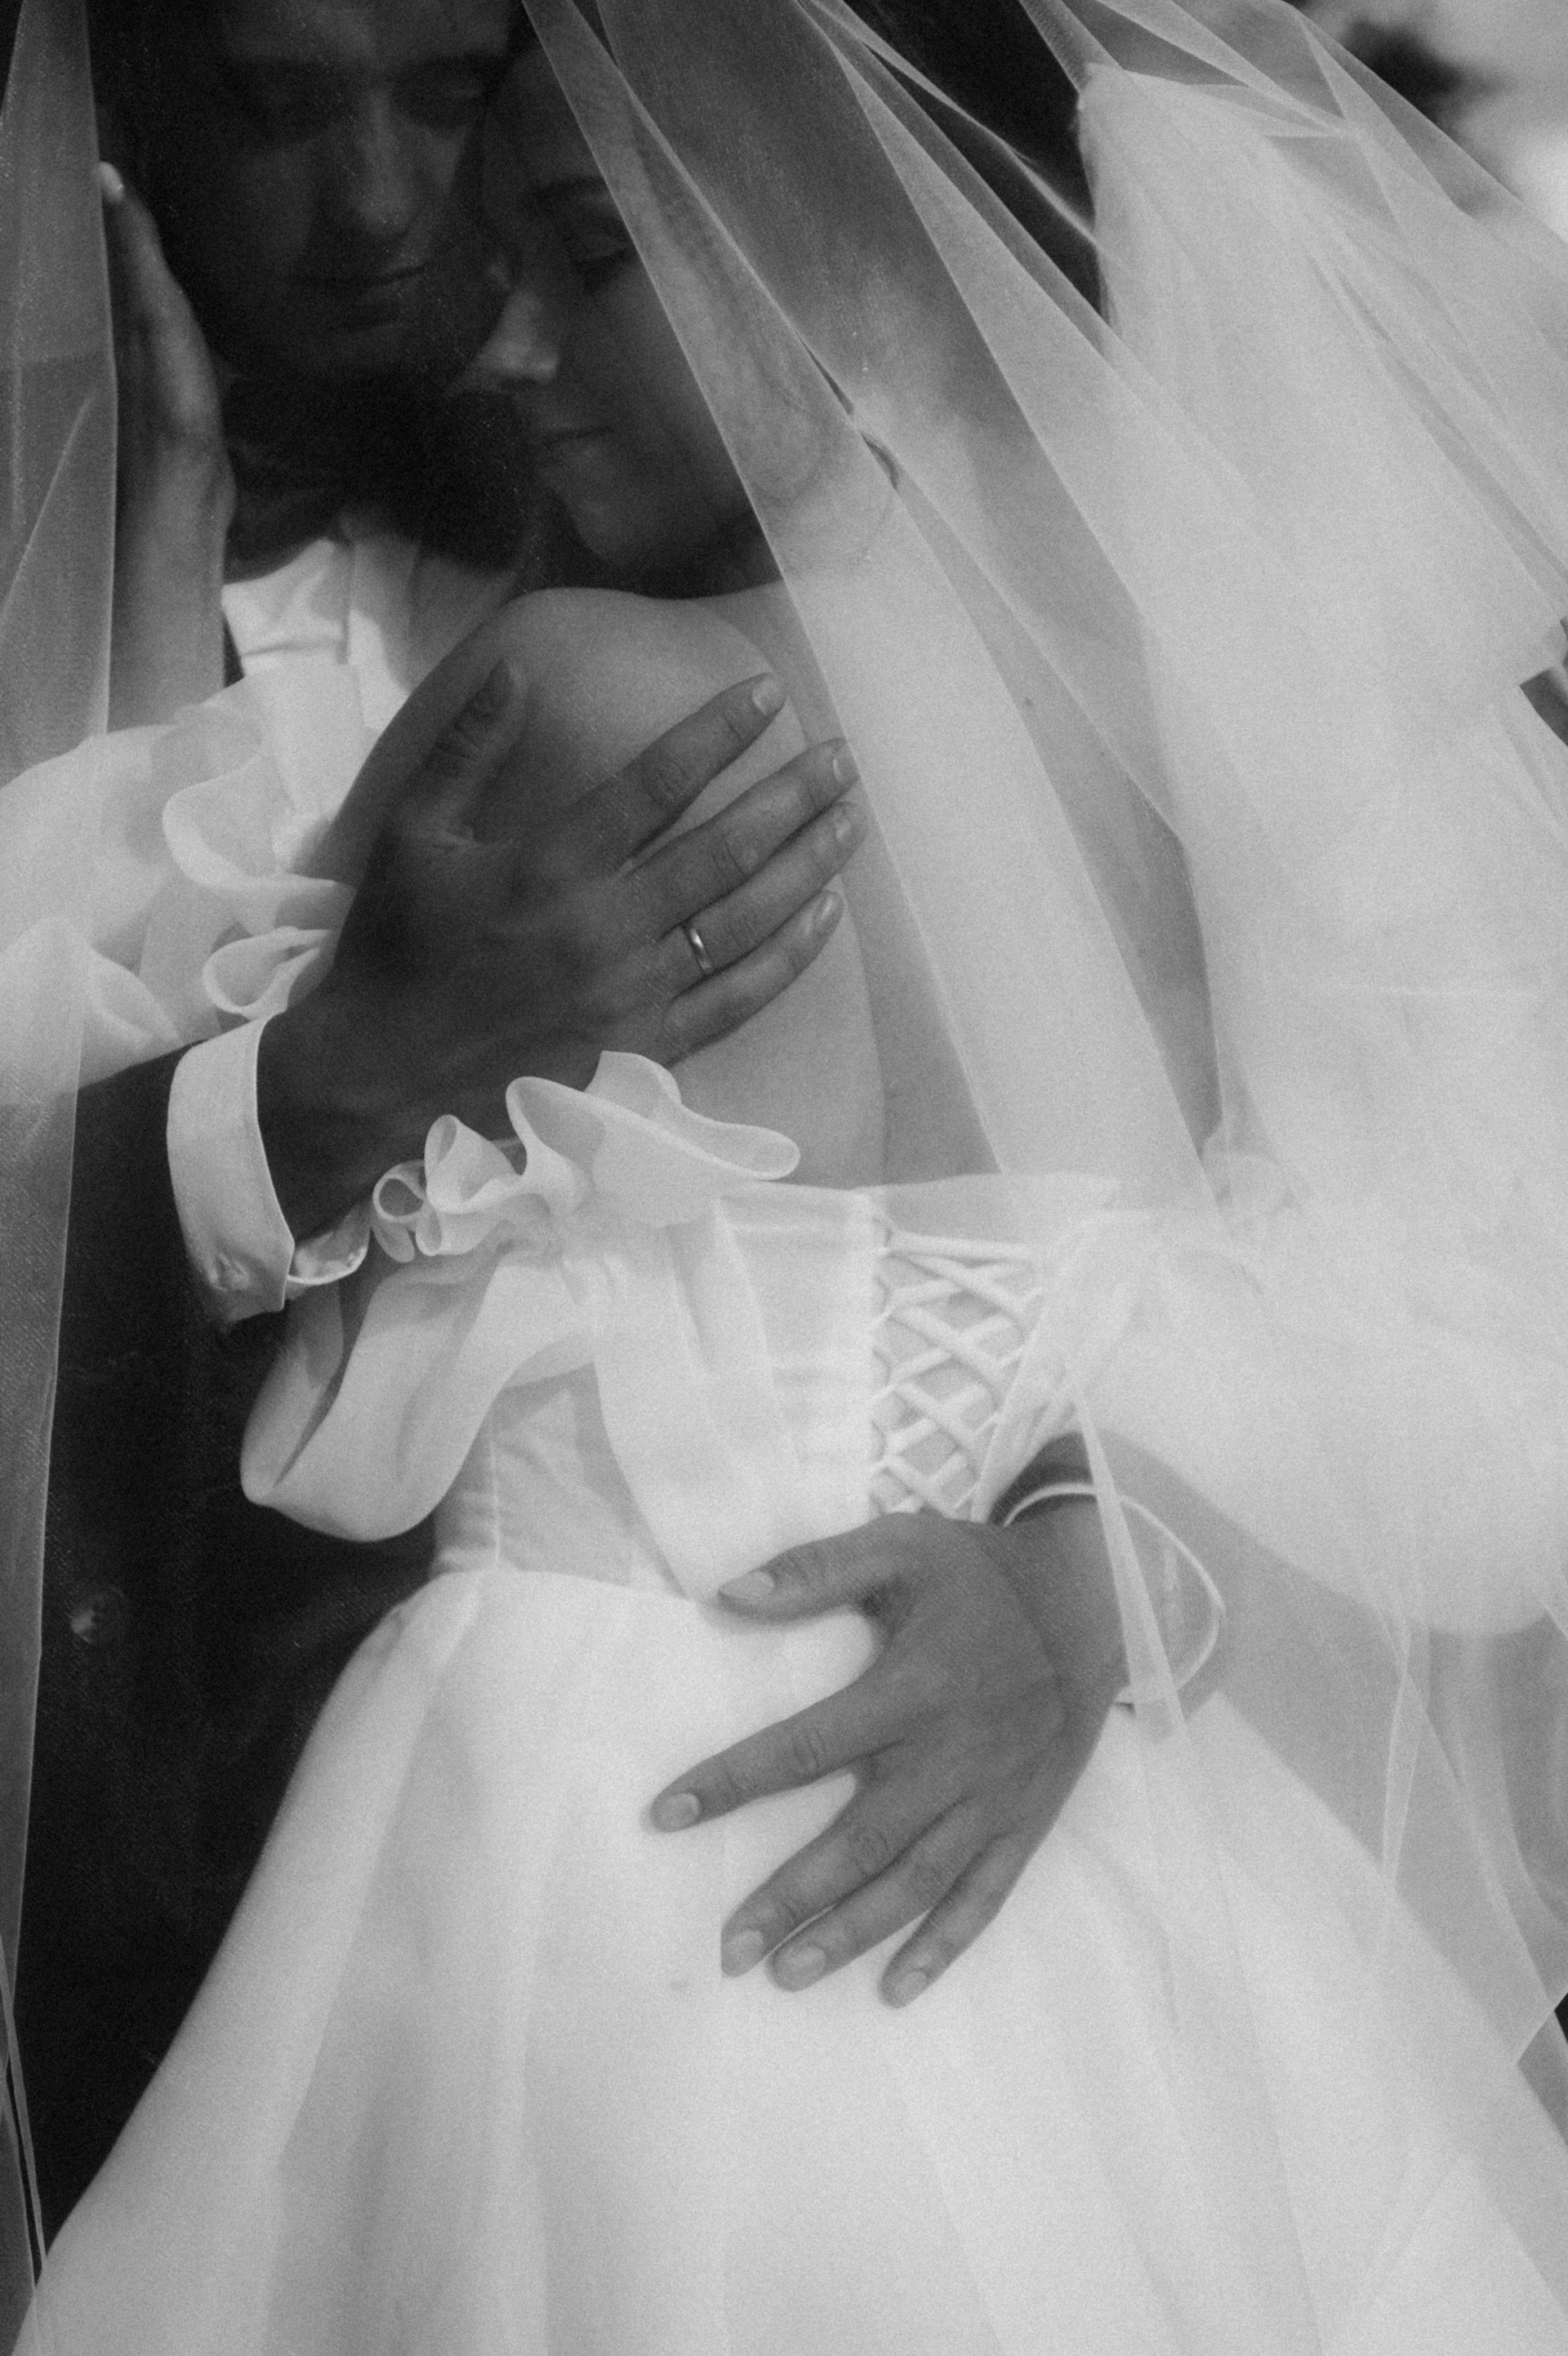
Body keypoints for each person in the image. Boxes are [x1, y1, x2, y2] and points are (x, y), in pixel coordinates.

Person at [13, 0, 1568, 2345]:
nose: (480, 320)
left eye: (587, 249)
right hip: (1117, 1910)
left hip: (587, 1818)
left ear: (851, 253)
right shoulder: (1162, 743)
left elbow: (1478, 1282)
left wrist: (1110, 1566)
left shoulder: (582, 684)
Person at [2, 0, 869, 2247]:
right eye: (278, 105)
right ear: (113, 94)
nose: (386, 208)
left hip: (693, 1920)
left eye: (456, 89)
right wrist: (324, 1090)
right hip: (131, 1916)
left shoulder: (700, 511)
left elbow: (1003, 1144)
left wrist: (1071, 1539)